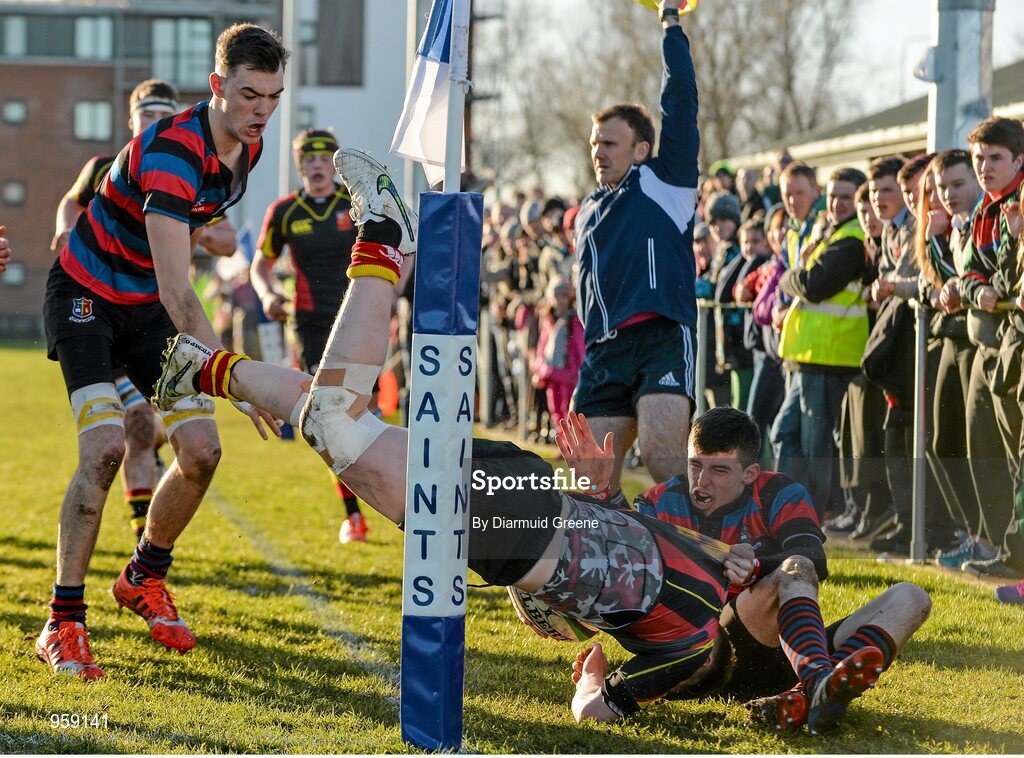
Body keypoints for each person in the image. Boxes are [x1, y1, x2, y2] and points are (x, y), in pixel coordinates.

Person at [154, 149, 886, 729]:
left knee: (342, 421)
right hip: (523, 532)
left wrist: (592, 486)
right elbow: (594, 706)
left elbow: (608, 516)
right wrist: (592, 670)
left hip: (527, 490)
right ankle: (381, 234)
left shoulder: (692, 553)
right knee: (341, 430)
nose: (752, 577)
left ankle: (206, 368)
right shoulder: (692, 642)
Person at [37, 24, 287, 680]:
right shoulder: (176, 150)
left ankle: (143, 576)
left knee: (202, 450)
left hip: (144, 311)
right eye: (249, 95)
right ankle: (62, 621)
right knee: (107, 448)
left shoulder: (248, 151)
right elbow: (181, 290)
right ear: (216, 87)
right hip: (86, 299)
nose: (262, 110)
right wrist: (236, 376)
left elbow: (195, 243)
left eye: (273, 97)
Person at [573, 0, 700, 491]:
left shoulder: (665, 182)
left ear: (640, 149)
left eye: (610, 143)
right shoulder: (586, 208)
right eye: (594, 144)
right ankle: (618, 557)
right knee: (589, 476)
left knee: (662, 455)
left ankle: (711, 555)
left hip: (661, 337)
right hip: (603, 350)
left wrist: (670, 22)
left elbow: (681, 99)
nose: (598, 152)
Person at [51, 80, 183, 540]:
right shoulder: (105, 167)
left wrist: (195, 233)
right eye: (146, 114)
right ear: (131, 120)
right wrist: (67, 230)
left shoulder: (182, 171)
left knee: (170, 426)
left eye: (162, 114)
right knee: (138, 424)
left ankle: (146, 477)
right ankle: (138, 528)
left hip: (150, 313)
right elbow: (70, 202)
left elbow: (224, 237)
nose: (153, 121)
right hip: (102, 311)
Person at [251, 127, 370, 543]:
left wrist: (387, 296)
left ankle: (384, 495)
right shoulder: (285, 211)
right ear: (299, 165)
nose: (318, 166)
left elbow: (401, 246)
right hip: (310, 324)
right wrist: (268, 294)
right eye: (310, 160)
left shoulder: (355, 204)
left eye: (325, 159)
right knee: (328, 414)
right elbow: (260, 266)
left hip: (359, 317)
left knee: (361, 412)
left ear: (334, 164)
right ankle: (354, 515)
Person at [772, 168, 869, 522]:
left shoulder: (852, 238)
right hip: (805, 355)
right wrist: (794, 276)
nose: (837, 203)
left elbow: (813, 283)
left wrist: (787, 276)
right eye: (833, 195)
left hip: (829, 355)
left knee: (816, 447)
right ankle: (787, 513)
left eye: (846, 196)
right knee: (784, 432)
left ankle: (808, 519)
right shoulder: (830, 234)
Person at [959, 116, 1024, 580]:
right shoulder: (987, 208)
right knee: (1008, 452)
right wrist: (980, 288)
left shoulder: (1018, 204)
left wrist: (991, 290)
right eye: (978, 158)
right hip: (1003, 339)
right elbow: (969, 271)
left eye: (994, 158)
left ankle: (1014, 553)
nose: (984, 167)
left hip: (1012, 334)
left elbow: (1005, 276)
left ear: (1019, 159)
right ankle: (1010, 549)